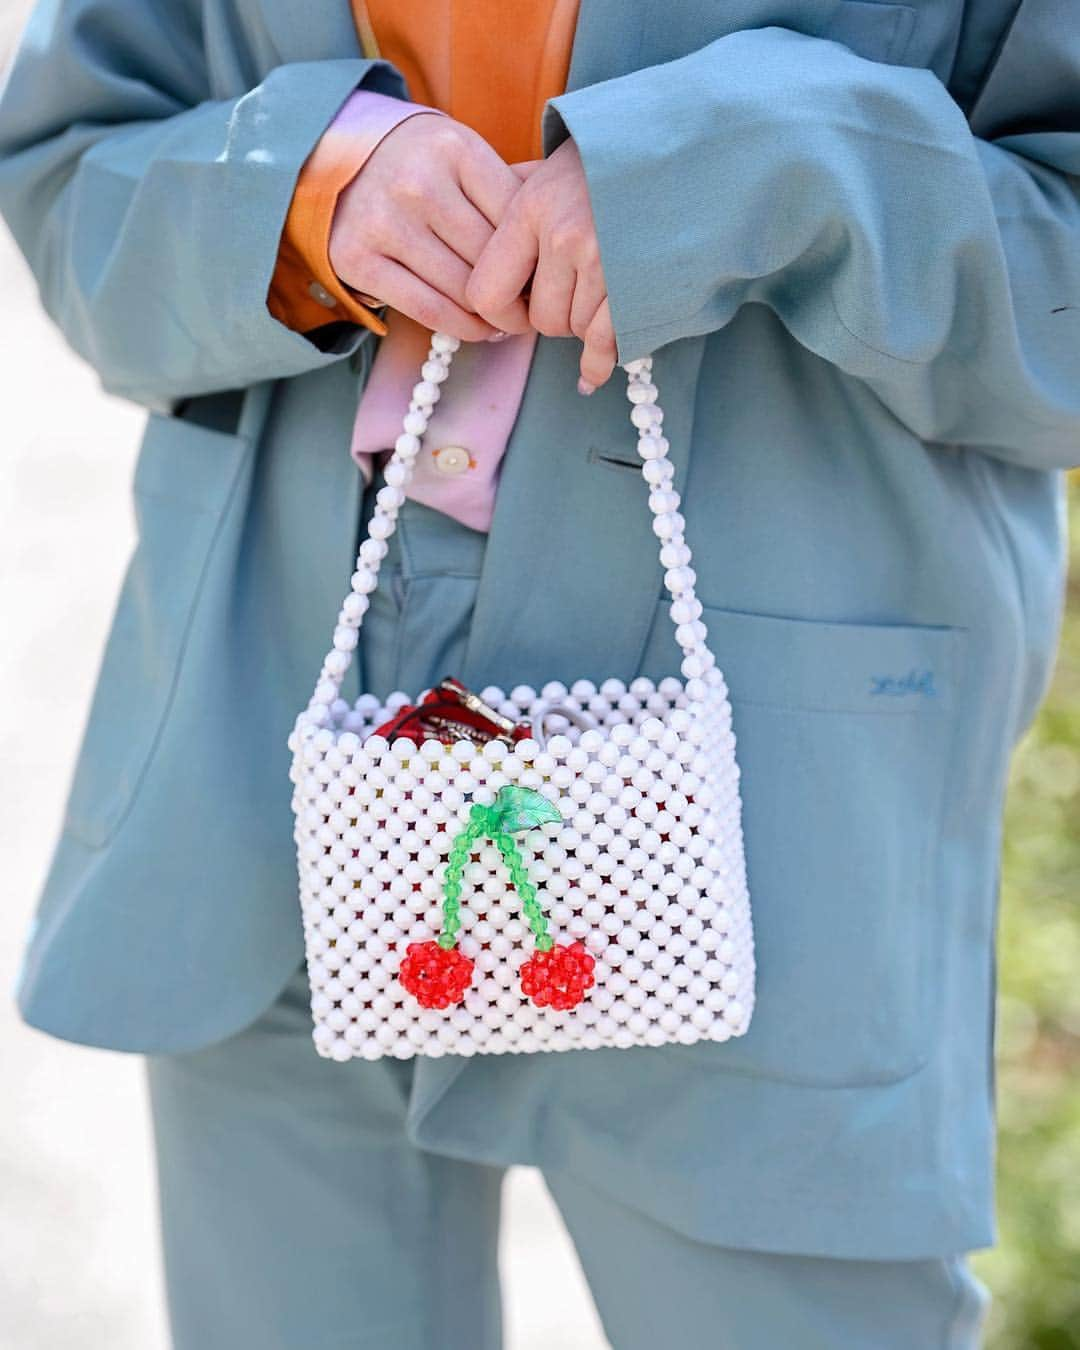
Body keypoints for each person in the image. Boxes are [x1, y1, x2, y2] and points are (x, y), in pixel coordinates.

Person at [1, 0, 1077, 1345]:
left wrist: (768, 164)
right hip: (273, 730)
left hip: (769, 791)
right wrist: (296, 194)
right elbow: (63, 167)